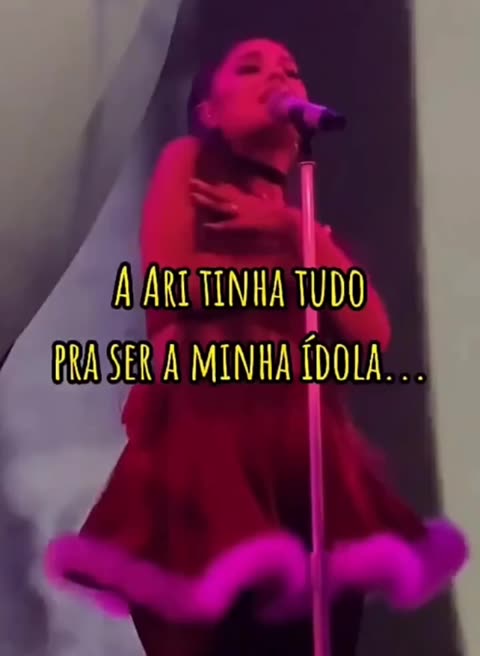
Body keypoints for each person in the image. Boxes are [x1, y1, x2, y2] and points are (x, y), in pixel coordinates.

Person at [45, 38, 467, 656]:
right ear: (209, 111)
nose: (277, 76)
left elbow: (371, 332)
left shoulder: (296, 216)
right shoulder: (188, 164)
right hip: (212, 457)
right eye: (251, 68)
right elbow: (177, 280)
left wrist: (294, 233)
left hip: (306, 461)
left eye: (289, 69)